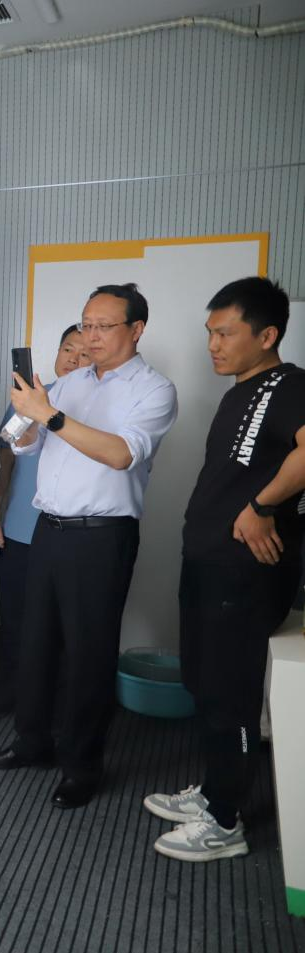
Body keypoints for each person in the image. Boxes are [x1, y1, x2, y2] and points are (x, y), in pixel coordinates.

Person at [0, 283, 178, 810]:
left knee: (88, 653)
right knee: (35, 642)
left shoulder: (154, 390)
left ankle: (81, 766)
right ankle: (32, 741)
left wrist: (49, 415)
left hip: (101, 536)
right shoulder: (67, 385)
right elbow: (28, 446)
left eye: (103, 326)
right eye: (86, 324)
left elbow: (122, 454)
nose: (90, 336)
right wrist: (26, 417)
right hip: (49, 529)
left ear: (136, 329)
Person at [147, 277, 305, 862]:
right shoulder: (241, 390)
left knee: (230, 693)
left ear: (267, 335)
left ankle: (225, 823)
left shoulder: (290, 386)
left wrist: (261, 506)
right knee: (205, 682)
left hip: (244, 572)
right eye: (209, 333)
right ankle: (215, 790)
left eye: (225, 333)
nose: (212, 345)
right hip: (209, 562)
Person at [0, 326, 91, 714]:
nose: (74, 359)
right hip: (19, 529)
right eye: (68, 349)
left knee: (63, 624)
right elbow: (5, 460)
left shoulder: (95, 407)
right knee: (15, 616)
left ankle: (55, 700)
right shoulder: (28, 399)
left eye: (84, 353)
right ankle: (11, 688)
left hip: (70, 536)